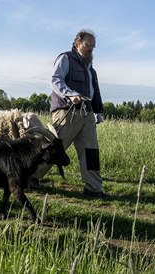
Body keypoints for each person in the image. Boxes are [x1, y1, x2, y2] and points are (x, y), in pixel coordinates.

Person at [31, 29, 106, 198]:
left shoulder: (90, 68)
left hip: (86, 114)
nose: (91, 49)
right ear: (77, 43)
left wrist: (98, 111)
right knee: (54, 148)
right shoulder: (65, 58)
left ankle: (93, 188)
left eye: (93, 47)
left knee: (91, 151)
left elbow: (95, 90)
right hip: (67, 112)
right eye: (88, 45)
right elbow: (56, 80)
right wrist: (71, 94)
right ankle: (31, 176)